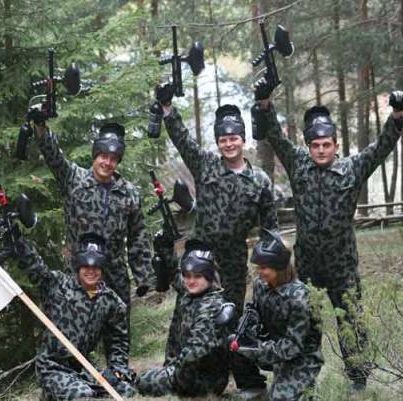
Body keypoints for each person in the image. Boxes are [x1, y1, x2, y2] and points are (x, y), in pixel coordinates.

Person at [250, 81, 403, 390]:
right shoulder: (299, 165)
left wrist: (397, 116)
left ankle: (358, 380)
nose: (321, 150)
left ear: (336, 145)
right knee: (305, 322)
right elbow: (276, 138)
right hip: (307, 265)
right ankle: (303, 377)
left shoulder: (352, 168)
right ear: (308, 146)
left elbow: (381, 148)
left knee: (351, 321)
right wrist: (265, 103)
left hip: (342, 266)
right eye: (315, 145)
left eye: (326, 144)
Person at [153, 87, 277, 395]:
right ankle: (180, 371)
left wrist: (271, 267)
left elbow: (270, 229)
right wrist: (167, 108)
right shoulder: (205, 164)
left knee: (230, 318)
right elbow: (182, 140)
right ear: (218, 142)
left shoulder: (260, 181)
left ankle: (245, 380)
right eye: (223, 139)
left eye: (234, 138)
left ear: (243, 140)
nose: (229, 143)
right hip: (201, 261)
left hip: (234, 261)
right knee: (191, 313)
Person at [34, 121, 154, 305]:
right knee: (76, 322)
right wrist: (40, 127)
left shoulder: (129, 193)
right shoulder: (74, 179)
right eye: (103, 156)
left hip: (114, 279)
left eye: (113, 159)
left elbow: (138, 237)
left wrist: (144, 278)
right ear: (95, 155)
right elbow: (54, 157)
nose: (107, 163)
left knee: (116, 323)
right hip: (78, 277)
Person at [14, 233, 134, 400]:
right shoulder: (57, 285)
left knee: (126, 390)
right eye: (86, 267)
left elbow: (119, 340)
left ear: (102, 268)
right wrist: (17, 241)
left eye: (96, 268)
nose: (91, 271)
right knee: (82, 395)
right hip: (53, 367)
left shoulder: (112, 302)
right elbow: (34, 266)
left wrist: (116, 370)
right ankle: (52, 394)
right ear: (78, 266)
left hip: (84, 368)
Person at [230, 230, 324, 401]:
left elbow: (292, 347)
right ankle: (254, 386)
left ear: (279, 266)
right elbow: (255, 310)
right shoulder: (261, 284)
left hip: (301, 358)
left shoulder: (300, 299)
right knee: (231, 339)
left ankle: (306, 388)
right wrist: (247, 329)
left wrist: (255, 348)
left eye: (263, 268)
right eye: (257, 266)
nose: (258, 272)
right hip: (272, 347)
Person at [135, 240, 233, 397]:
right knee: (145, 378)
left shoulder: (211, 306)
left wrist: (173, 374)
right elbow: (174, 275)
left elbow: (195, 353)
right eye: (187, 276)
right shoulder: (193, 292)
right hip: (192, 373)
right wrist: (165, 246)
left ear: (208, 277)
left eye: (197, 276)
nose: (191, 281)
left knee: (143, 382)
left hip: (204, 381)